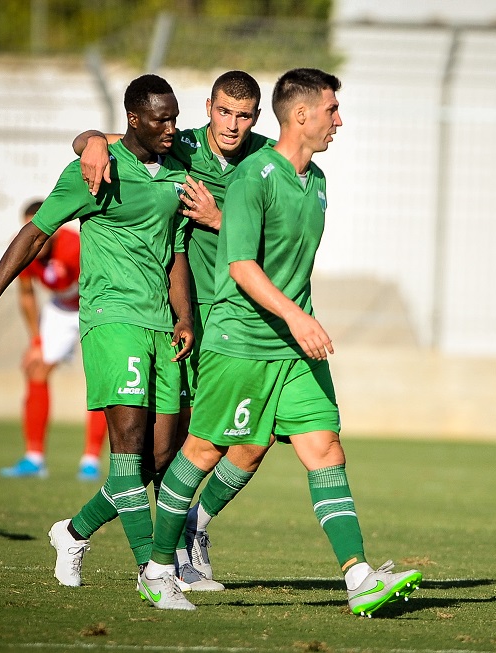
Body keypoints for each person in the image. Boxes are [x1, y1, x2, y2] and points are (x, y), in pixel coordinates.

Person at [137, 68, 422, 615]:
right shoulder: (254, 177)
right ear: (301, 115)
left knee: (325, 448)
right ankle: (157, 569)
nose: (339, 120)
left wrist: (298, 321)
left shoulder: (315, 181)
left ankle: (358, 576)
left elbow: (286, 265)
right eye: (332, 110)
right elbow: (241, 265)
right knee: (201, 451)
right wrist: (298, 317)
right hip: (240, 340)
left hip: (292, 349)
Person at [0, 73, 193, 590]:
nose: (171, 128)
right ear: (133, 120)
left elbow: (176, 252)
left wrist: (183, 316)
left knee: (159, 459)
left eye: (175, 118)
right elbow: (35, 232)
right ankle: (153, 573)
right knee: (129, 449)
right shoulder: (94, 171)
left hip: (161, 324)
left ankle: (73, 531)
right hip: (112, 320)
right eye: (162, 119)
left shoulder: (177, 169)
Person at [72, 70, 274, 591]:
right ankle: (167, 552)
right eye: (224, 111)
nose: (232, 125)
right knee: (167, 450)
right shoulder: (178, 143)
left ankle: (189, 522)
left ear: (257, 118)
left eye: (244, 114)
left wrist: (217, 217)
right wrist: (91, 140)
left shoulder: (269, 162)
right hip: (188, 318)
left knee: (256, 437)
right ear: (208, 108)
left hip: (243, 317)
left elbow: (276, 237)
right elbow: (117, 138)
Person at [0, 199, 108, 482]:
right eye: (30, 227)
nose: (36, 233)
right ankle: (34, 459)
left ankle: (91, 460)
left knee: (101, 378)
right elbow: (26, 294)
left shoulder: (75, 246)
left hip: (93, 305)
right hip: (61, 307)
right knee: (36, 367)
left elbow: (100, 282)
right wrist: (36, 340)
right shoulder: (23, 248)